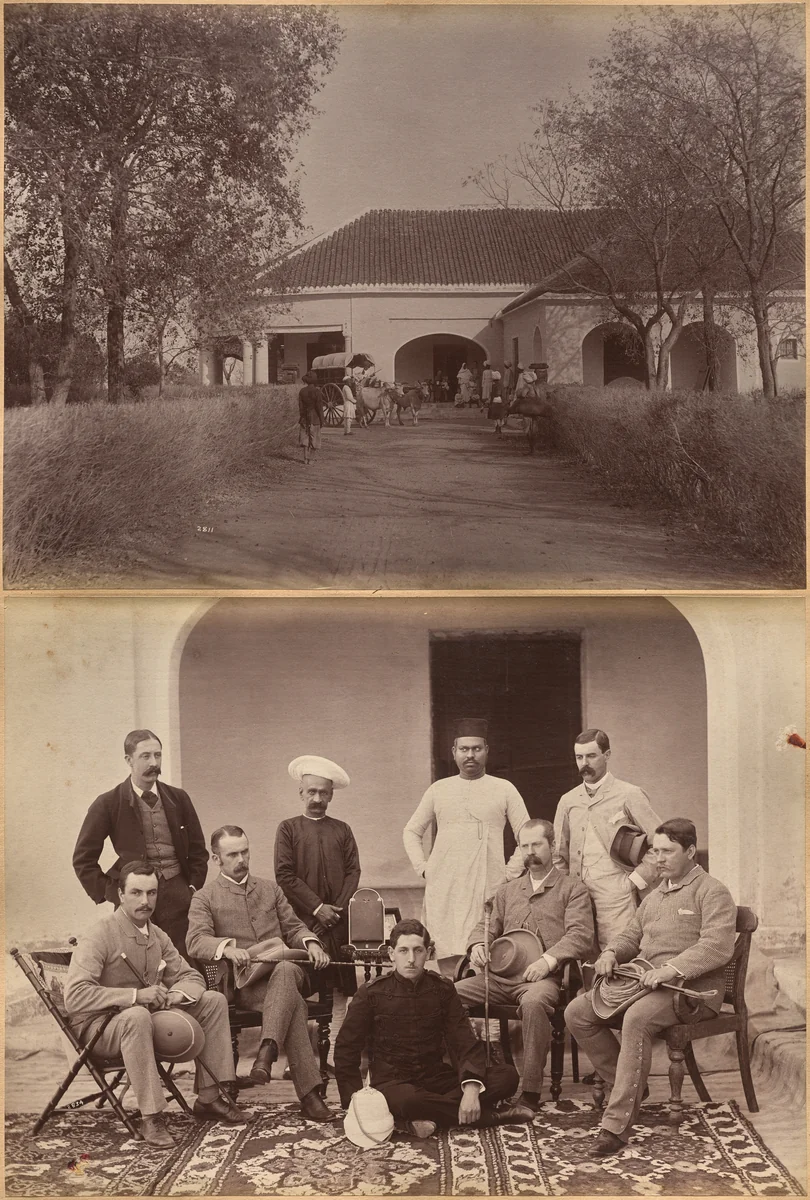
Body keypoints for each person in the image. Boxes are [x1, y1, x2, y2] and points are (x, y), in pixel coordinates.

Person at [565, 819, 736, 1157]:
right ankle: (629, 1087)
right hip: (645, 982)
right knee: (578, 1012)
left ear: (689, 851)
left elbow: (717, 945)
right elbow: (630, 936)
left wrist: (670, 970)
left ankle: (615, 1127)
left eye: (667, 851)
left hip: (693, 993)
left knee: (638, 1019)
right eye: (655, 851)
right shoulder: (654, 895)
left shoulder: (712, 890)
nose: (658, 858)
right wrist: (611, 953)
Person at [64, 860, 246, 1148]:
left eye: (151, 893)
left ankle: (210, 1097)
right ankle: (151, 1116)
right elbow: (74, 996)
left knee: (212, 1000)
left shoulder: (157, 934)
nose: (145, 901)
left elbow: (190, 977)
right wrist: (136, 997)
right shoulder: (100, 933)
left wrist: (175, 996)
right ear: (120, 895)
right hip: (98, 1028)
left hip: (144, 1019)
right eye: (136, 893)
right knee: (137, 1016)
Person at [185, 825, 333, 1121]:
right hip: (247, 986)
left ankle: (267, 1052)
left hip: (286, 972)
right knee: (294, 1004)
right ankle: (310, 1095)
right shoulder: (205, 897)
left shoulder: (269, 889)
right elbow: (195, 941)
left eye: (245, 851)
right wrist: (226, 948)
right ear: (217, 859)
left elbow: (293, 927)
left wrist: (313, 943)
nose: (241, 859)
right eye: (232, 854)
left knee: (288, 968)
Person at [334, 918, 533, 1138]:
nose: (411, 959)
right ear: (391, 954)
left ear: (428, 953)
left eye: (418, 950)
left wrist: (471, 1088)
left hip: (436, 1078)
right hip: (393, 1082)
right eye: (403, 951)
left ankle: (416, 1120)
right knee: (410, 1100)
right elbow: (346, 1049)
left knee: (507, 1076)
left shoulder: (442, 988)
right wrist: (356, 1104)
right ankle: (492, 1117)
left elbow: (464, 1040)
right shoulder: (370, 993)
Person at [455, 819, 594, 1109]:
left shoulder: (572, 888)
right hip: (499, 978)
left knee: (533, 1003)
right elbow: (486, 925)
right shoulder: (507, 891)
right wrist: (477, 945)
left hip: (545, 979)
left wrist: (548, 960)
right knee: (447, 994)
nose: (530, 851)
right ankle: (462, 1078)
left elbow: (581, 935)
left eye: (537, 844)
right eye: (524, 845)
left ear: (553, 846)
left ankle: (529, 1092)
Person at [403, 719, 530, 962]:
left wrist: (507, 875)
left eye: (476, 748)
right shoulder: (438, 789)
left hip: (486, 885)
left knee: (481, 950)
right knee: (446, 952)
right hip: (445, 887)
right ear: (453, 752)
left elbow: (526, 834)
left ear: (486, 751)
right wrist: (424, 869)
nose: (470, 755)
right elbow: (411, 831)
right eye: (464, 749)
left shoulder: (504, 789)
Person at [73, 730, 208, 957]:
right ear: (129, 760)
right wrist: (114, 893)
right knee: (138, 961)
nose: (153, 763)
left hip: (179, 896)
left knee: (183, 962)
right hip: (134, 898)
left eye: (158, 755)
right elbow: (83, 859)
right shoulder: (108, 803)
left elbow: (198, 851)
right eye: (145, 756)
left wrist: (192, 887)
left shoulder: (179, 798)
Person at [553, 728, 662, 949]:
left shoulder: (629, 794)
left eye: (591, 756)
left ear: (607, 755)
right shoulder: (568, 800)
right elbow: (558, 855)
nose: (585, 763)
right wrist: (568, 890)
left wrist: (634, 882)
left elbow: (661, 844)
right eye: (579, 757)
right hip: (579, 898)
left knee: (617, 956)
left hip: (617, 897)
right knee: (582, 956)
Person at [275, 755, 361, 995]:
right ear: (300, 792)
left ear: (331, 795)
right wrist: (317, 908)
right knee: (308, 985)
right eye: (311, 792)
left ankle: (336, 1034)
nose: (317, 799)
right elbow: (284, 875)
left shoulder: (342, 829)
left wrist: (336, 911)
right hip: (303, 920)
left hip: (337, 922)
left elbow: (353, 871)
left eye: (323, 793)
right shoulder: (288, 828)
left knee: (340, 989)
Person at [298, 372, 323, 465]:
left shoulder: (302, 391)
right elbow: (319, 408)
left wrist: (302, 416)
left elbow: (300, 407)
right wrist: (322, 420)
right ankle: (311, 459)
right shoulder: (317, 392)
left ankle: (305, 458)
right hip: (315, 418)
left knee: (305, 437)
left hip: (304, 418)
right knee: (314, 438)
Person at [487, 370, 505, 434]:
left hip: (495, 400)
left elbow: (492, 395)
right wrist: (503, 402)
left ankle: (497, 429)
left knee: (495, 416)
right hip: (500, 400)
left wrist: (490, 403)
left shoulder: (494, 386)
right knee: (499, 416)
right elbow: (503, 394)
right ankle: (499, 429)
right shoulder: (502, 385)